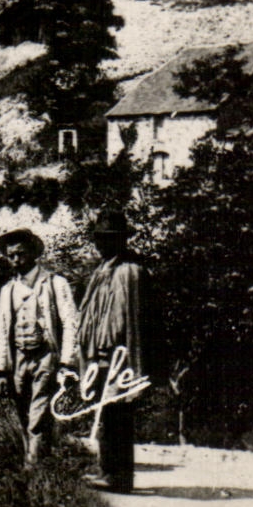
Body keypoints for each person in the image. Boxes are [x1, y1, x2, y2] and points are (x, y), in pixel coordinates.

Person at [74, 209, 148, 492]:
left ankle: (119, 477)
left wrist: (134, 361)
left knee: (118, 414)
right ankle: (109, 471)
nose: (102, 244)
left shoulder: (130, 273)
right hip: (99, 356)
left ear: (122, 240)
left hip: (121, 356)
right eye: (99, 239)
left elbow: (135, 322)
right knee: (105, 414)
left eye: (109, 239)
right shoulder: (101, 272)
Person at [0, 229, 77, 467]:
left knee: (38, 415)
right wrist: (0, 370)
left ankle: (32, 470)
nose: (16, 260)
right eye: (11, 256)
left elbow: (71, 323)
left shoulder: (55, 283)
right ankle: (42, 463)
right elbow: (2, 329)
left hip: (45, 356)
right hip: (18, 358)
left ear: (32, 253)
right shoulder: (8, 290)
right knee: (23, 415)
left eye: (20, 254)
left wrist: (66, 362)